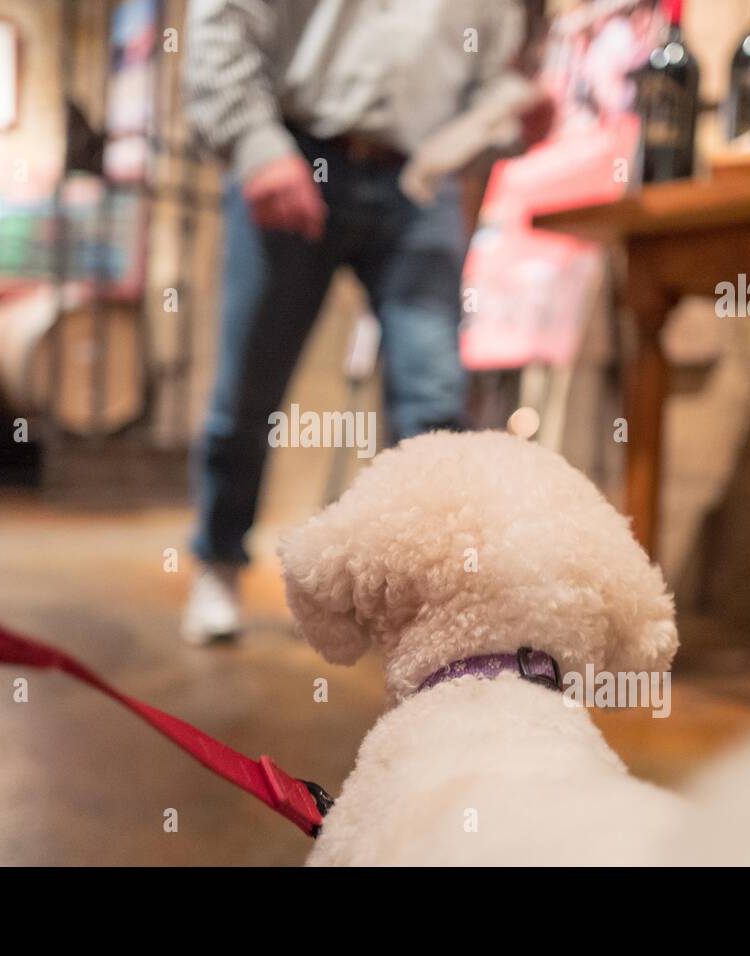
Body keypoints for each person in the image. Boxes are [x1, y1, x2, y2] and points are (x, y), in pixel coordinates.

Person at [182, 0, 544, 644]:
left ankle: (427, 594)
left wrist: (513, 116)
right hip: (294, 151)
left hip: (418, 182)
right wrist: (254, 143)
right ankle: (219, 559)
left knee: (434, 397)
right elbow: (225, 20)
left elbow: (486, 78)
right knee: (249, 390)